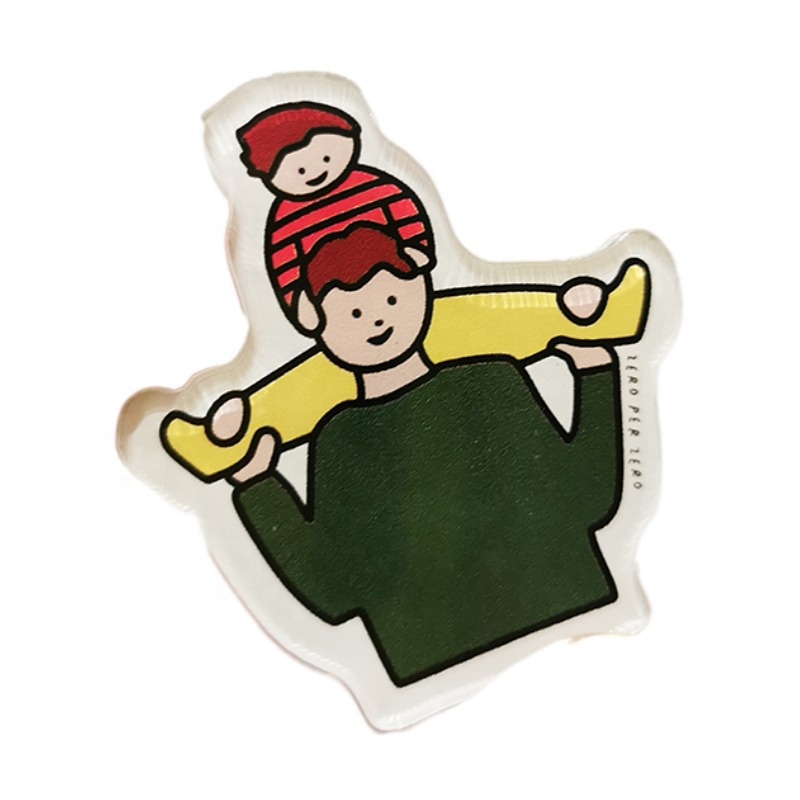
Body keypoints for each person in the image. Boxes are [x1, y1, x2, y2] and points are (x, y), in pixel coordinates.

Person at [229, 226, 624, 687]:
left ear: (421, 283)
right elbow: (335, 586)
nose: (377, 321)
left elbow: (583, 494)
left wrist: (258, 487)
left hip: (511, 642)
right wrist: (258, 486)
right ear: (313, 320)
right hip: (522, 638)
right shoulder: (339, 440)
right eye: (354, 312)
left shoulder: (492, 381)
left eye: (390, 299)